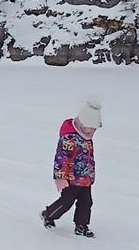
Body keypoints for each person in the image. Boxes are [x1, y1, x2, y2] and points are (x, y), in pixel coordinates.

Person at [40, 98, 102, 237]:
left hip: (85, 179)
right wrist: (60, 177)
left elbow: (88, 158)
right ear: (82, 124)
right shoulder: (69, 138)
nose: (92, 131)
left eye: (94, 129)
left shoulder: (86, 138)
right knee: (66, 202)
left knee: (86, 202)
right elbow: (61, 158)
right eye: (90, 128)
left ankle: (81, 226)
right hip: (71, 179)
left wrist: (90, 174)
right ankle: (48, 215)